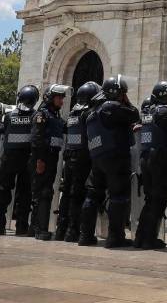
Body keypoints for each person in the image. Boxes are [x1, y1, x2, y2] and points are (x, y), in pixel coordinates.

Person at [79, 74, 140, 248]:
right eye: (123, 93)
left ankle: (85, 236)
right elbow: (134, 114)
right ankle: (115, 237)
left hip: (97, 158)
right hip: (115, 155)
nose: (124, 96)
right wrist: (126, 101)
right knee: (118, 197)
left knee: (93, 196)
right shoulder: (111, 106)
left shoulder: (90, 112)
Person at [134, 80, 167, 249]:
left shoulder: (148, 111)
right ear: (164, 96)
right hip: (160, 158)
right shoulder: (166, 111)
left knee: (150, 199)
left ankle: (140, 237)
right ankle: (149, 239)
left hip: (146, 158)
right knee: (159, 198)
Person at [0, 84, 40, 235]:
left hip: (9, 159)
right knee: (25, 194)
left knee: (2, 191)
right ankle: (22, 226)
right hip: (27, 159)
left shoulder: (9, 116)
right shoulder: (35, 116)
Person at [56, 80, 99, 242]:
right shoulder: (89, 113)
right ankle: (72, 231)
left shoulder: (73, 114)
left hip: (70, 157)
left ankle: (61, 229)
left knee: (67, 193)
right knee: (77, 194)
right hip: (84, 158)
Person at [31, 84, 68, 240]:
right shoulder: (42, 115)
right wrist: (39, 159)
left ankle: (36, 228)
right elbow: (37, 138)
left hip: (52, 158)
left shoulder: (56, 116)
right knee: (43, 193)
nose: (62, 101)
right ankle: (40, 230)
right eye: (59, 97)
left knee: (46, 192)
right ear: (50, 98)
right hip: (43, 158)